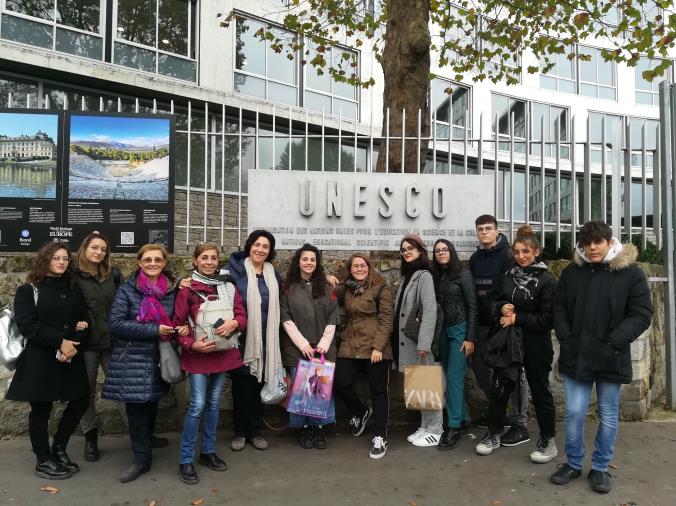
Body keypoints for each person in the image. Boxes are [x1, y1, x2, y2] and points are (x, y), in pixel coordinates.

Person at [550, 221, 652, 493]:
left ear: (610, 242)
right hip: (577, 354)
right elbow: (558, 306)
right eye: (586, 243)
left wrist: (616, 340)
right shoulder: (573, 272)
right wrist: (565, 335)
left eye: (597, 242)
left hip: (611, 355)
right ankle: (572, 463)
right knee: (573, 413)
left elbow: (642, 313)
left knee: (607, 415)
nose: (592, 248)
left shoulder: (630, 274)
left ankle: (600, 468)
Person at [5, 242, 90, 480]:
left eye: (65, 258)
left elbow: (84, 321)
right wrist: (59, 341)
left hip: (70, 355)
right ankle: (43, 459)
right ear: (46, 260)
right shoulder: (28, 290)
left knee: (81, 399)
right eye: (56, 258)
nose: (62, 262)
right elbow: (28, 325)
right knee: (41, 409)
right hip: (40, 358)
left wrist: (72, 342)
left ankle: (59, 448)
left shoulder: (74, 288)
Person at [475, 226, 558, 464]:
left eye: (526, 251)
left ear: (537, 251)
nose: (521, 256)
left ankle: (547, 439)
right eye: (517, 251)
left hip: (535, 344)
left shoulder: (547, 281)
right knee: (500, 389)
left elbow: (547, 319)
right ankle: (494, 433)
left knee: (540, 391)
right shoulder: (508, 276)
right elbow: (493, 303)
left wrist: (517, 318)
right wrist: (501, 308)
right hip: (508, 342)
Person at [103, 244, 185, 483]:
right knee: (137, 408)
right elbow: (116, 324)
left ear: (164, 263)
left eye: (157, 260)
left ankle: (147, 439)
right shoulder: (127, 290)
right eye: (147, 260)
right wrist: (154, 329)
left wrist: (179, 327)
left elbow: (178, 316)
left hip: (160, 355)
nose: (152, 263)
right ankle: (141, 459)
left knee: (151, 401)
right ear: (139, 262)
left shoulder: (171, 290)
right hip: (132, 357)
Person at [172, 243, 247, 484]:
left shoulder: (228, 287)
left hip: (222, 352)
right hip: (198, 355)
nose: (209, 262)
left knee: (214, 404)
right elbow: (177, 323)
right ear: (195, 261)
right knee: (197, 404)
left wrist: (235, 324)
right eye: (204, 258)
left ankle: (207, 452)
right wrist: (190, 345)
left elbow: (241, 315)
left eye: (213, 258)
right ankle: (185, 460)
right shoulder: (187, 289)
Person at [469, 214, 530, 445]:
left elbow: (515, 286)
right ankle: (499, 413)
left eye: (488, 228)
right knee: (479, 365)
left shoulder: (508, 255)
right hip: (485, 322)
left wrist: (509, 313)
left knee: (514, 371)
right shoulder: (475, 259)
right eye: (480, 229)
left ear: (497, 231)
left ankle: (519, 422)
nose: (484, 232)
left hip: (505, 322)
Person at [224, 230, 282, 452]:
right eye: (257, 245)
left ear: (270, 251)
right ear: (249, 246)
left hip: (267, 338)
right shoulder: (233, 271)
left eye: (265, 246)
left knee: (259, 384)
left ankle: (256, 431)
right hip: (241, 339)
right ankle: (239, 432)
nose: (260, 249)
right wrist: (184, 280)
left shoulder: (272, 274)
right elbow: (209, 282)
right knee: (241, 386)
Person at [333, 253, 394, 459]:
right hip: (350, 345)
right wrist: (328, 280)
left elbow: (386, 321)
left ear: (369, 267)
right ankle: (360, 412)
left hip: (375, 348)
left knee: (379, 392)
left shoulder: (381, 289)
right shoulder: (348, 289)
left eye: (363, 266)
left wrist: (378, 347)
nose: (359, 269)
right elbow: (330, 293)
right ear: (350, 269)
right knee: (339, 382)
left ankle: (380, 436)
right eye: (355, 266)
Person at [280, 244, 338, 450]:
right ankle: (303, 428)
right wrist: (303, 344)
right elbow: (285, 318)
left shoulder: (327, 287)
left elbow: (333, 317)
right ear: (298, 261)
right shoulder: (288, 288)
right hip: (298, 349)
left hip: (322, 350)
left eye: (313, 259)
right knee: (302, 390)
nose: (309, 263)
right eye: (305, 259)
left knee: (320, 390)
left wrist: (322, 345)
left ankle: (318, 429)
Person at [72, 231, 123, 462]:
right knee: (86, 392)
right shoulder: (73, 276)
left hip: (112, 341)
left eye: (103, 249)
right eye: (95, 248)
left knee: (123, 388)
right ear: (85, 248)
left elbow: (128, 298)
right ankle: (90, 438)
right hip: (87, 345)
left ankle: (141, 434)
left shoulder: (113, 274)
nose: (99, 252)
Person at [392, 234, 441, 447]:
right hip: (406, 342)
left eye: (411, 248)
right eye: (403, 249)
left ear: (420, 251)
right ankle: (425, 426)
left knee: (428, 384)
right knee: (419, 384)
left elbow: (430, 311)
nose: (406, 252)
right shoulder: (407, 277)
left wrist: (424, 344)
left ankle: (436, 430)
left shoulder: (424, 276)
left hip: (419, 343)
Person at [431, 239, 478, 450]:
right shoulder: (435, 274)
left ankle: (453, 427)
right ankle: (464, 416)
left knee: (454, 378)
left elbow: (473, 307)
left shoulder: (463, 274)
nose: (441, 253)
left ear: (451, 251)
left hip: (460, 330)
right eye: (437, 250)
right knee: (445, 375)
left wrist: (470, 338)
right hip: (442, 331)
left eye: (444, 249)